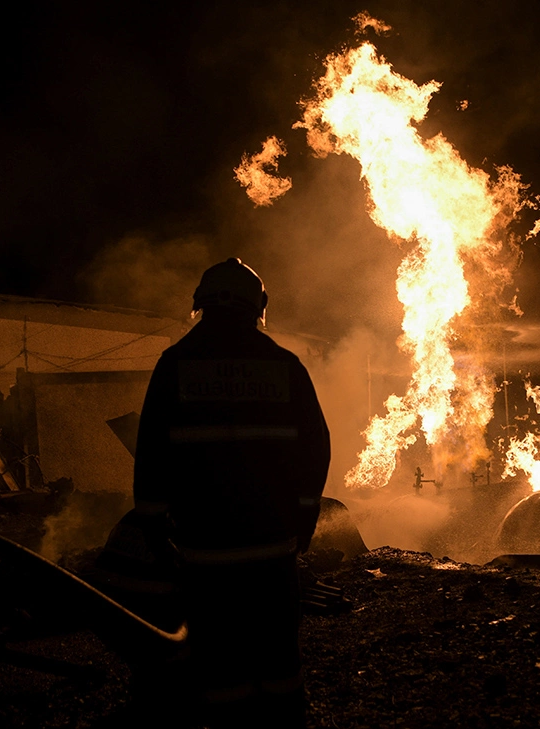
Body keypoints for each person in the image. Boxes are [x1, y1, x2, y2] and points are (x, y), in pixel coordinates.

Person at [132, 258, 331, 728]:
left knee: (221, 661)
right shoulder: (284, 366)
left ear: (200, 305)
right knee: (278, 655)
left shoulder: (174, 366)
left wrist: (156, 529)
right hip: (272, 551)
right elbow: (315, 449)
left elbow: (152, 453)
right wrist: (302, 521)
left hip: (205, 554)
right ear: (258, 307)